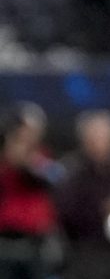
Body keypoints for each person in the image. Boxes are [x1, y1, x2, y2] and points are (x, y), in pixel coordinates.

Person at [53, 111, 110, 279]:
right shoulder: (73, 172)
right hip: (83, 259)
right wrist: (103, 208)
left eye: (109, 139)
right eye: (98, 139)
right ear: (86, 141)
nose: (104, 145)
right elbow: (65, 214)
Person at [0, 105, 57, 279]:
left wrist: (28, 159)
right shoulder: (4, 162)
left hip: (35, 243)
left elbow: (51, 178)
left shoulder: (43, 157)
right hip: (6, 241)